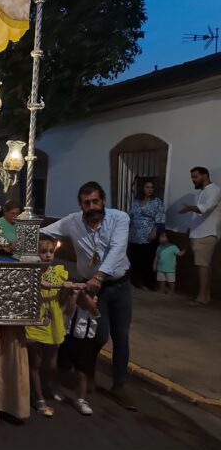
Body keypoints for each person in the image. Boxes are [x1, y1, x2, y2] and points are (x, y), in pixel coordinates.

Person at [41, 181, 137, 411]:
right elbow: (45, 230)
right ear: (81, 205)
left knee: (121, 335)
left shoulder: (119, 219)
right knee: (98, 335)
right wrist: (16, 232)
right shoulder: (73, 221)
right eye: (86, 203)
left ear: (103, 201)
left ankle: (119, 385)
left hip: (119, 285)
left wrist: (99, 275)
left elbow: (117, 249)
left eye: (95, 201)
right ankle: (88, 372)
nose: (92, 206)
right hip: (93, 288)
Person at [25, 235, 75, 417]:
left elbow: (62, 303)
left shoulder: (59, 272)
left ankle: (49, 386)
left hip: (53, 321)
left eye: (51, 252)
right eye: (43, 252)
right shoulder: (31, 274)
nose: (48, 255)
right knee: (36, 362)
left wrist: (66, 290)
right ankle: (38, 397)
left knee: (52, 364)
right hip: (36, 320)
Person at [179, 166, 220, 306]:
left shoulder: (214, 191)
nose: (193, 180)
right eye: (192, 177)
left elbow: (205, 209)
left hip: (206, 234)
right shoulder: (201, 193)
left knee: (203, 266)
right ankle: (205, 296)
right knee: (204, 265)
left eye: (195, 177)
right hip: (198, 234)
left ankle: (202, 298)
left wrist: (189, 208)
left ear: (205, 176)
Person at [128, 179, 165, 290]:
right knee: (135, 258)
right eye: (147, 187)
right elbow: (131, 215)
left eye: (152, 187)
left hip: (148, 233)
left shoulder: (157, 202)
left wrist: (155, 231)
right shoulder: (136, 201)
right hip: (134, 234)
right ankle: (136, 280)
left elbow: (160, 218)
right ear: (142, 189)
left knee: (147, 258)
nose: (150, 189)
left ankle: (147, 282)